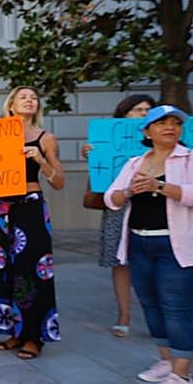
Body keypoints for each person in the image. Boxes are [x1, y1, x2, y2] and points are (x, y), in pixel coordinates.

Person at [105, 105, 193, 384]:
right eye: (161, 123)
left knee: (177, 307)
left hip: (181, 245)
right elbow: (112, 198)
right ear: (147, 131)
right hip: (140, 243)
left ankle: (183, 377)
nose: (169, 127)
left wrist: (161, 186)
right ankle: (167, 360)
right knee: (151, 303)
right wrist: (129, 191)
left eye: (174, 123)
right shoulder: (135, 162)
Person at [0, 86, 65, 359]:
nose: (30, 100)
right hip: (1, 209)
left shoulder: (45, 138)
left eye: (33, 97)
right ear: (11, 105)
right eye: (23, 97)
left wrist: (40, 160)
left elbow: (59, 181)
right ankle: (13, 332)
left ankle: (34, 335)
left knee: (33, 270)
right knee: (1, 269)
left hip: (30, 207)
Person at [81, 93, 155, 336]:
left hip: (156, 206)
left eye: (147, 110)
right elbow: (102, 180)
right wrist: (94, 156)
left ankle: (158, 311)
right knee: (120, 262)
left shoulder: (165, 142)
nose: (143, 114)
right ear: (124, 115)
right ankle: (124, 314)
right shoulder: (111, 141)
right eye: (137, 110)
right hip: (119, 206)